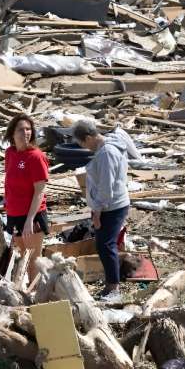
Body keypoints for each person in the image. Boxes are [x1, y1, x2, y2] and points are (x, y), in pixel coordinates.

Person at [73, 119, 138, 303]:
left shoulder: (106, 153)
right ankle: (110, 284)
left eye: (82, 144)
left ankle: (114, 288)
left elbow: (106, 188)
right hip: (112, 204)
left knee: (106, 245)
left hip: (111, 206)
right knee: (104, 244)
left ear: (88, 138)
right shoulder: (109, 146)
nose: (84, 148)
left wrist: (98, 212)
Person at [3, 114, 49, 281]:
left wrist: (30, 219)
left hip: (32, 215)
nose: (26, 133)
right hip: (14, 213)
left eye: (28, 129)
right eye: (21, 129)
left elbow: (39, 191)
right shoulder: (9, 153)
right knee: (22, 257)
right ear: (13, 133)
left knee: (34, 260)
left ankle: (39, 298)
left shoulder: (36, 157)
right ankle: (28, 293)